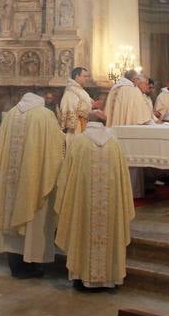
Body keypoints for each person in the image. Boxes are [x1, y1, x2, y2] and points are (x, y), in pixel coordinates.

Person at [55, 111, 135, 289]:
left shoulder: (79, 143)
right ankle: (109, 279)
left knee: (81, 228)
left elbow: (66, 178)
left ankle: (81, 276)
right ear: (104, 124)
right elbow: (124, 181)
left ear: (88, 122)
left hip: (83, 205)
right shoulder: (115, 145)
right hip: (110, 207)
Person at [0, 92, 65, 278]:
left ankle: (15, 265)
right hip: (33, 181)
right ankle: (32, 265)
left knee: (10, 222)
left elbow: (0, 150)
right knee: (34, 221)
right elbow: (56, 150)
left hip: (9, 182)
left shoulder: (10, 115)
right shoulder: (44, 116)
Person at [58, 67, 92, 140]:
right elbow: (70, 108)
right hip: (76, 127)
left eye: (87, 76)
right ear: (77, 76)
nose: (87, 79)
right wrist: (89, 111)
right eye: (85, 76)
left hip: (84, 123)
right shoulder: (71, 90)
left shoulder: (79, 89)